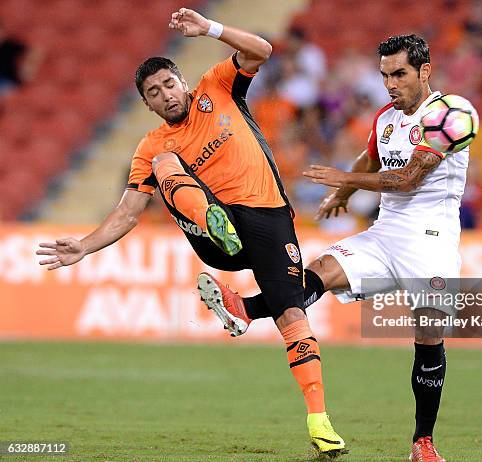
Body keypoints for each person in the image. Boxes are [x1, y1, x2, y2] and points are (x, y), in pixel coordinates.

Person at [36, 7, 345, 457]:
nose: (164, 95)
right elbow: (127, 213)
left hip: (270, 219)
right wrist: (83, 246)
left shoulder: (217, 86)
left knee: (292, 316)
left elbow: (263, 50)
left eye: (167, 84)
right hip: (214, 230)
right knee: (165, 163)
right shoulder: (152, 145)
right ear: (147, 105)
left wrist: (210, 29)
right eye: (153, 93)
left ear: (182, 82)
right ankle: (214, 225)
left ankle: (320, 424)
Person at [207, 34, 469, 462]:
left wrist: (340, 180)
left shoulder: (449, 116)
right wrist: (346, 193)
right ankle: (244, 311)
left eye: (400, 74)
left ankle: (423, 442)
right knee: (322, 269)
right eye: (384, 75)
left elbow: (407, 180)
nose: (390, 84)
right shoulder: (386, 117)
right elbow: (372, 158)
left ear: (424, 71)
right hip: (387, 233)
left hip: (432, 241)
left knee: (428, 336)